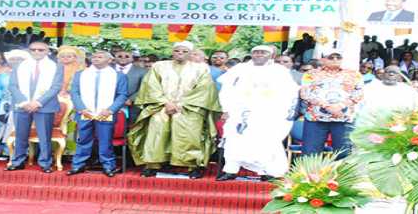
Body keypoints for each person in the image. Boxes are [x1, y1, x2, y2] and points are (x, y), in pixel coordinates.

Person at [127, 41, 221, 179]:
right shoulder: (159, 66)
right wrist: (165, 103)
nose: (180, 54)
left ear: (190, 53)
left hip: (189, 107)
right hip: (161, 106)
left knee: (189, 134)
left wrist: (181, 104)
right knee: (156, 131)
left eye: (184, 51)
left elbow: (205, 90)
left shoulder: (201, 69)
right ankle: (153, 165)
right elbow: (151, 86)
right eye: (177, 51)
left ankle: (192, 165)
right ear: (172, 52)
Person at [217, 45, 299, 181]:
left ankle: (268, 172)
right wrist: (226, 109)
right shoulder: (240, 69)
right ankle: (230, 170)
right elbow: (226, 90)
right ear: (252, 54)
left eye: (263, 52)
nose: (259, 54)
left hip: (267, 115)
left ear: (270, 55)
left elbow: (289, 93)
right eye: (256, 52)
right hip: (240, 114)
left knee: (266, 143)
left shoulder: (279, 71)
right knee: (235, 141)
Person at [6, 41, 64, 173]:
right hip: (22, 106)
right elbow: (13, 86)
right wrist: (24, 102)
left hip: (45, 106)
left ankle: (45, 163)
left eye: (41, 50)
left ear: (47, 51)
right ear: (29, 50)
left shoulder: (56, 66)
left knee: (44, 136)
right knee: (20, 135)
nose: (37, 52)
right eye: (33, 50)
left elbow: (55, 87)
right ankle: (18, 161)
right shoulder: (20, 65)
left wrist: (38, 102)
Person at [67, 51, 128, 177]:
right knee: (83, 139)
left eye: (100, 57)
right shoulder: (81, 74)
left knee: (105, 140)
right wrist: (81, 108)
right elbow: (74, 93)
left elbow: (122, 95)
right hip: (85, 112)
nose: (95, 59)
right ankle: (78, 165)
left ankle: (108, 166)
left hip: (106, 113)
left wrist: (110, 110)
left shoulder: (118, 75)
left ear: (109, 60)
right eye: (94, 57)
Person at [299, 50, 363, 159]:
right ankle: (311, 176)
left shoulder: (354, 74)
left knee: (344, 152)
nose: (335, 60)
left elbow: (359, 92)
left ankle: (343, 176)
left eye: (338, 57)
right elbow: (305, 93)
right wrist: (327, 107)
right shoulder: (310, 74)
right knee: (310, 152)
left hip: (343, 118)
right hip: (316, 118)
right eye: (331, 57)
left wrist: (340, 106)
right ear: (322, 59)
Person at [113, 49, 147, 125]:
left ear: (132, 58)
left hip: (131, 106)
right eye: (120, 56)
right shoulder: (108, 69)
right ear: (115, 58)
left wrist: (131, 99)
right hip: (109, 105)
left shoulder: (142, 71)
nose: (123, 58)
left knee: (130, 127)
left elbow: (144, 88)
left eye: (127, 56)